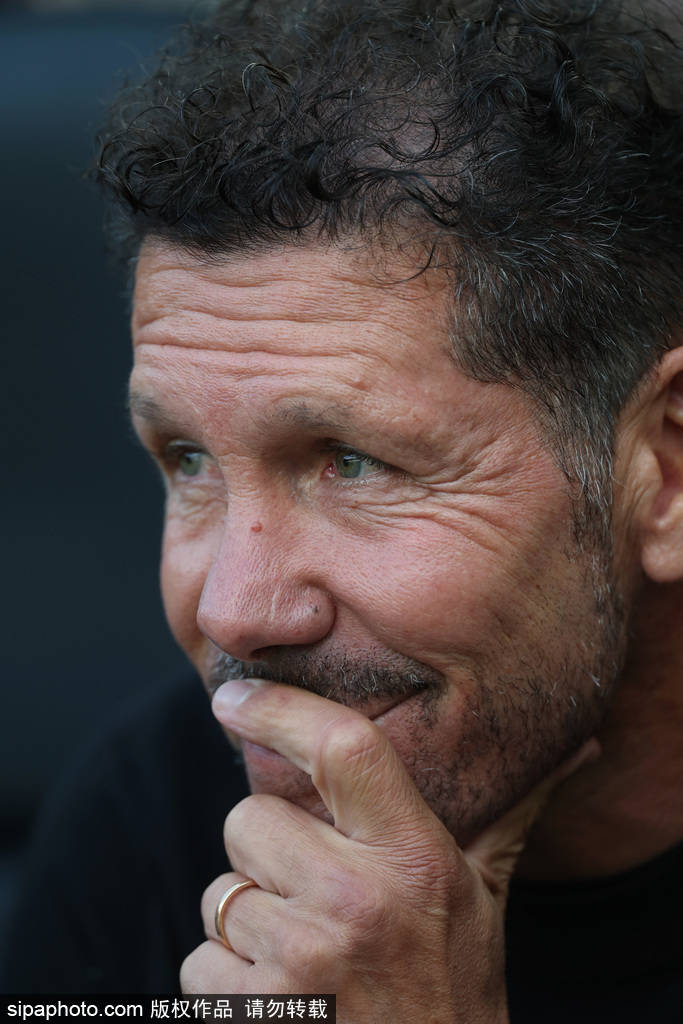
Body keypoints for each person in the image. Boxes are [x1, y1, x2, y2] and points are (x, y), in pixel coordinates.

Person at [3, 0, 682, 1018]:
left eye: (352, 463)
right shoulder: (152, 812)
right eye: (188, 460)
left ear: (663, 470)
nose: (232, 612)